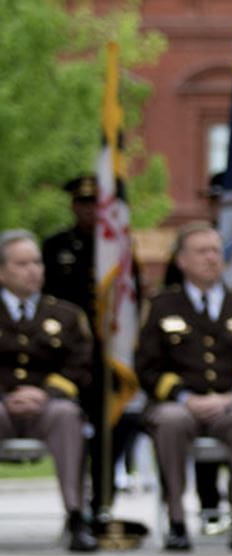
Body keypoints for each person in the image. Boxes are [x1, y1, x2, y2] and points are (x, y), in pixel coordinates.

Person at [138, 223, 232, 551]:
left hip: (230, 406)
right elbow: (147, 367)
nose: (211, 258)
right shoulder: (161, 307)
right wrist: (183, 397)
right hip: (182, 405)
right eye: (202, 251)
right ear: (182, 260)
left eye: (216, 251)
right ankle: (175, 521)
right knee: (170, 421)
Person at [40, 176, 144, 522]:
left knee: (119, 424)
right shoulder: (55, 248)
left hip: (108, 358)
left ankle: (102, 502)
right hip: (62, 359)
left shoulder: (119, 250)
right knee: (72, 427)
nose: (89, 210)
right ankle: (76, 508)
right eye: (83, 203)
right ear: (73, 206)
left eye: (96, 204)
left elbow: (134, 300)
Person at [0, 230, 97, 551]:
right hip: (3, 406)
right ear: (2, 271)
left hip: (48, 405)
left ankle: (76, 516)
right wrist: (7, 395)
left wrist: (44, 393)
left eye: (37, 262)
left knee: (67, 415)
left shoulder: (66, 315)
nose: (33, 270)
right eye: (22, 263)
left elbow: (81, 364)